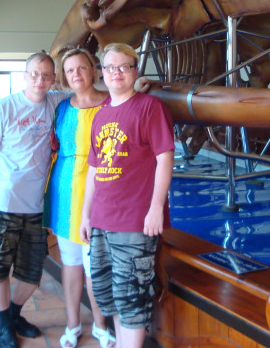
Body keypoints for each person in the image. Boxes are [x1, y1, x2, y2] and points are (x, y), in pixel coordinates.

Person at [80, 43, 175, 348]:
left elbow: (165, 158)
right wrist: (86, 215)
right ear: (102, 72)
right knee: (110, 295)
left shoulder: (149, 108)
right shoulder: (101, 113)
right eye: (110, 67)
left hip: (134, 220)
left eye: (124, 67)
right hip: (102, 220)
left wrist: (156, 208)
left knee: (132, 298)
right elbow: (94, 169)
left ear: (135, 71)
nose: (116, 73)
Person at [0, 52, 68, 348]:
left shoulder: (56, 102)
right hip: (4, 204)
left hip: (36, 208)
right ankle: (4, 326)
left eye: (46, 75)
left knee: (32, 271)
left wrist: (136, 85)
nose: (39, 80)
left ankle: (13, 314)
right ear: (24, 76)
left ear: (53, 79)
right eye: (34, 74)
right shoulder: (1, 109)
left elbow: (92, 91)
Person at [44, 48, 115, 348]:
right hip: (65, 190)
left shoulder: (112, 103)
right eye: (70, 70)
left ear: (94, 70)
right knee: (71, 262)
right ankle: (72, 324)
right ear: (64, 76)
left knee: (94, 264)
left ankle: (101, 325)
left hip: (103, 188)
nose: (76, 74)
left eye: (82, 68)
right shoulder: (60, 107)